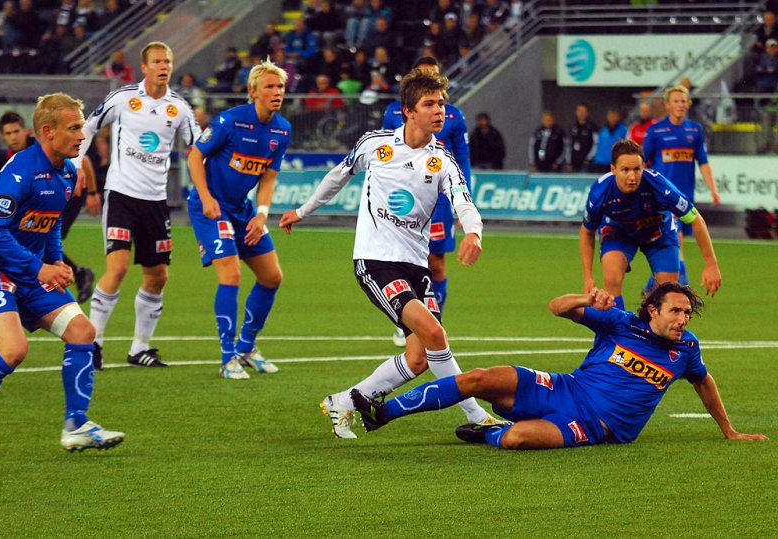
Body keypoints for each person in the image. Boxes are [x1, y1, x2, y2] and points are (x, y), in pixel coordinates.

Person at [279, 69, 497, 439]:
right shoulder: (375, 145)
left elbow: (463, 201)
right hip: (376, 261)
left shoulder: (442, 160)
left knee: (418, 358)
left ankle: (344, 401)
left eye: (441, 104)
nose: (440, 111)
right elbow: (338, 176)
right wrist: (302, 211)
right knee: (435, 333)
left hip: (416, 265)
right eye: (430, 104)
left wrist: (473, 232)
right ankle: (478, 416)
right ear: (408, 111)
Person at [351, 283, 768, 449]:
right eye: (676, 311)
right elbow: (556, 307)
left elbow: (704, 382)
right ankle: (383, 412)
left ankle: (488, 433)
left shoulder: (687, 350)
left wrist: (728, 430)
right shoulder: (621, 323)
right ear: (653, 310)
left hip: (593, 427)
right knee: (479, 378)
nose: (683, 320)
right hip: (564, 388)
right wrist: (586, 299)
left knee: (516, 439)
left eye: (687, 313)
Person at [0, 93, 125, 452]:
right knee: (14, 350)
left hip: (30, 272)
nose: (81, 135)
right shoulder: (19, 172)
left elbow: (52, 221)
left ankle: (76, 425)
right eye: (73, 128)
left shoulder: (68, 172)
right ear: (47, 131)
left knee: (82, 331)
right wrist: (39, 267)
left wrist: (57, 261)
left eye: (81, 127)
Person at [75, 41, 200, 369]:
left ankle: (139, 348)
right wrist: (75, 166)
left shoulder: (179, 108)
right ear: (144, 67)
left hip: (156, 202)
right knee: (117, 268)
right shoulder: (123, 98)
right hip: (121, 195)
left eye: (167, 61)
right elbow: (89, 126)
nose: (164, 66)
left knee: (158, 276)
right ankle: (93, 344)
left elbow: (198, 146)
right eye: (157, 61)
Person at [186, 58, 291, 380]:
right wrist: (206, 197)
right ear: (253, 91)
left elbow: (269, 178)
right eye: (270, 86)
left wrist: (262, 214)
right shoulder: (230, 121)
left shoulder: (282, 130)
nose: (277, 92)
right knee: (231, 275)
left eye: (281, 86)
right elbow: (195, 155)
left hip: (242, 210)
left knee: (272, 277)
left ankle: (246, 347)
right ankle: (227, 357)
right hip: (211, 208)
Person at [382, 56, 472, 347]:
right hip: (403, 199)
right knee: (402, 261)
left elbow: (462, 161)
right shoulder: (393, 112)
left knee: (436, 263)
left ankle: (434, 321)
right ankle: (408, 323)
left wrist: (464, 202)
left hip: (439, 200)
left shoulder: (454, 116)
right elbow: (383, 155)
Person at [580, 140, 721, 311]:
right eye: (625, 170)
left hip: (658, 233)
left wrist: (711, 264)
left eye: (637, 169)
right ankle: (621, 328)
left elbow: (695, 218)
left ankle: (653, 327)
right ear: (613, 169)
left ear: (643, 167)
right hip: (619, 233)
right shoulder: (599, 192)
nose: (632, 177)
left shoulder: (660, 186)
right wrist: (588, 277)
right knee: (611, 278)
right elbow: (587, 232)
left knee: (668, 292)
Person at [0, 111, 100, 304]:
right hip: (44, 200)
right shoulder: (11, 157)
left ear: (26, 131)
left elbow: (84, 160)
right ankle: (70, 274)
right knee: (33, 238)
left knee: (38, 238)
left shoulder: (40, 147)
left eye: (16, 132)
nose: (13, 137)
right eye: (8, 133)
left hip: (68, 196)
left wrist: (93, 193)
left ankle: (68, 276)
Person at [643, 84, 720, 288]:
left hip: (685, 194)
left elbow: (703, 162)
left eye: (683, 101)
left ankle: (655, 284)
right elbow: (642, 163)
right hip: (662, 195)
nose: (680, 104)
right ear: (667, 105)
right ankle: (680, 282)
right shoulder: (656, 130)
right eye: (676, 101)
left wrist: (713, 188)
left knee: (675, 239)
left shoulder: (695, 130)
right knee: (675, 237)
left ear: (689, 103)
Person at [590, 107, 626, 173]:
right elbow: (597, 145)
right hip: (600, 163)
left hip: (615, 164)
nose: (613, 118)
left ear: (619, 117)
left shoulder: (624, 131)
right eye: (611, 116)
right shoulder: (603, 131)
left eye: (615, 116)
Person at [565, 103, 597, 172]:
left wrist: (588, 159)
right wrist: (568, 161)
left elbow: (595, 144)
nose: (581, 113)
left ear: (587, 113)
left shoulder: (592, 127)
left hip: (586, 162)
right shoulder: (572, 126)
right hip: (573, 162)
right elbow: (568, 145)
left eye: (583, 111)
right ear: (576, 112)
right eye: (579, 111)